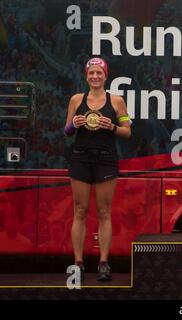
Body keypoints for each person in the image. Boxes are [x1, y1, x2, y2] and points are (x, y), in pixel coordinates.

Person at [64, 57, 131, 281]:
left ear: (105, 76)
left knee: (104, 212)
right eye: (91, 73)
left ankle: (103, 263)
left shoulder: (117, 101)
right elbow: (66, 131)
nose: (95, 76)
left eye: (98, 73)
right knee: (80, 211)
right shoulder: (76, 99)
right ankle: (78, 263)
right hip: (80, 159)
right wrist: (75, 123)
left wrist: (111, 126)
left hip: (106, 160)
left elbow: (127, 131)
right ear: (86, 75)